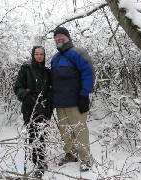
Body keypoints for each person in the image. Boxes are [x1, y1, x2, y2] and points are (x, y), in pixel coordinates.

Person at [51, 27, 95, 171]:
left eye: (61, 36)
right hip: (60, 103)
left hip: (76, 101)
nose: (58, 38)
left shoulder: (78, 53)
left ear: (68, 37)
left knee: (79, 130)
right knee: (65, 131)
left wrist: (84, 94)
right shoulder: (55, 58)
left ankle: (85, 158)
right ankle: (70, 153)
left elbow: (88, 73)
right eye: (56, 37)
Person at [13, 46, 52, 178]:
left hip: (45, 107)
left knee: (42, 134)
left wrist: (50, 97)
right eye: (37, 54)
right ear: (33, 55)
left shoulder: (47, 71)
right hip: (30, 108)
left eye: (41, 54)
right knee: (33, 135)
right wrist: (26, 96)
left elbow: (51, 88)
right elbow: (17, 87)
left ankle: (41, 160)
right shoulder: (26, 70)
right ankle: (37, 164)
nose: (39, 56)